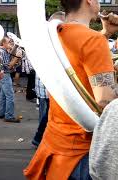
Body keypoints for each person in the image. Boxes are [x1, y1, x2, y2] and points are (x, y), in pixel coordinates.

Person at [23, 0, 118, 179]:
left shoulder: (55, 35)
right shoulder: (93, 40)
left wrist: (105, 33)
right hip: (83, 151)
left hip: (56, 143)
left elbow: (77, 55)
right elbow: (105, 102)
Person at [31, 11, 66, 148]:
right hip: (50, 87)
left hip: (47, 87)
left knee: (46, 117)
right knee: (48, 118)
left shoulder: (46, 39)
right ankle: (41, 141)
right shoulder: (49, 40)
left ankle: (41, 140)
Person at [0, 36, 22, 123]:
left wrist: (14, 48)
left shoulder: (2, 50)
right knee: (10, 96)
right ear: (3, 43)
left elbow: (9, 56)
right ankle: (9, 116)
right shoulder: (2, 52)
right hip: (5, 75)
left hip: (2, 75)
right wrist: (17, 57)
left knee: (3, 95)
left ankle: (1, 113)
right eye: (8, 42)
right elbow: (9, 66)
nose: (10, 44)